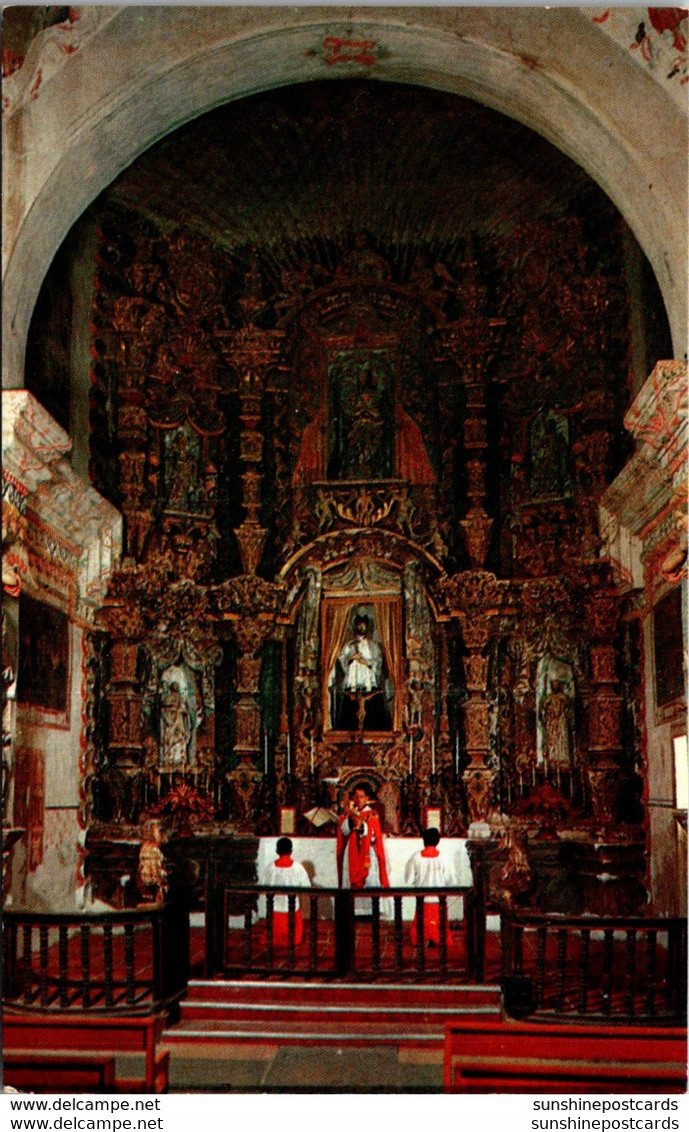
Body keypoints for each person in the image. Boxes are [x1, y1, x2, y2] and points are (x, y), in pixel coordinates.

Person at [337, 615, 388, 730]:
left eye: (363, 625)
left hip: (368, 686)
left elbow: (378, 662)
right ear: (355, 626)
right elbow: (342, 659)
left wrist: (365, 662)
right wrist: (351, 658)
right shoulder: (348, 646)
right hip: (353, 687)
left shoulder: (373, 646)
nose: (361, 627)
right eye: (359, 625)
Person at [404, 828, 454, 946]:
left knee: (421, 925)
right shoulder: (444, 858)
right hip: (439, 900)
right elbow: (451, 880)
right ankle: (439, 939)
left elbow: (408, 879)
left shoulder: (415, 857)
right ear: (438, 841)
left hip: (422, 900)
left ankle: (422, 939)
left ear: (423, 840)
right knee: (440, 926)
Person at [336, 784, 390, 892]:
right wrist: (351, 822)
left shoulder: (372, 814)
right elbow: (344, 832)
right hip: (351, 853)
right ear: (353, 798)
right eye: (356, 797)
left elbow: (374, 837)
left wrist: (361, 827)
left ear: (367, 798)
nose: (359, 800)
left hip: (367, 853)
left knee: (369, 885)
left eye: (362, 797)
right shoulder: (347, 814)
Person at [261, 837, 310, 947]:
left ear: (277, 851)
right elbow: (306, 887)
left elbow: (263, 886)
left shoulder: (270, 867)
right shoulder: (298, 867)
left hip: (274, 907)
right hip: (291, 908)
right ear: (291, 851)